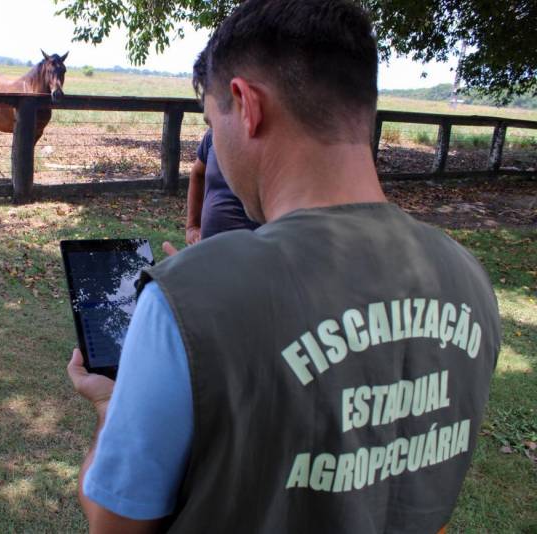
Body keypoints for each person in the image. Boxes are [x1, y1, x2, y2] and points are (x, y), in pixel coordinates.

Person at [67, 0, 501, 532]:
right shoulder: (468, 279)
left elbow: (114, 526)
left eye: (211, 121)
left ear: (245, 105)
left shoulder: (180, 302)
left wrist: (113, 409)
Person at [185, 127, 260, 245]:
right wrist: (192, 226)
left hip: (251, 251)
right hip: (207, 248)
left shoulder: (270, 141)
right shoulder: (214, 133)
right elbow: (198, 174)